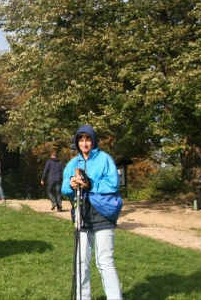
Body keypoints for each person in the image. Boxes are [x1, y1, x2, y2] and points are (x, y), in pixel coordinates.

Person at [62, 125, 123, 300]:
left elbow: (113, 184)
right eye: (81, 140)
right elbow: (64, 188)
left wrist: (91, 184)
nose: (84, 143)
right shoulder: (73, 163)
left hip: (102, 213)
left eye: (87, 139)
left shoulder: (105, 159)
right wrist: (71, 185)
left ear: (93, 140)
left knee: (104, 261)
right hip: (82, 213)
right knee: (81, 262)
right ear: (77, 142)